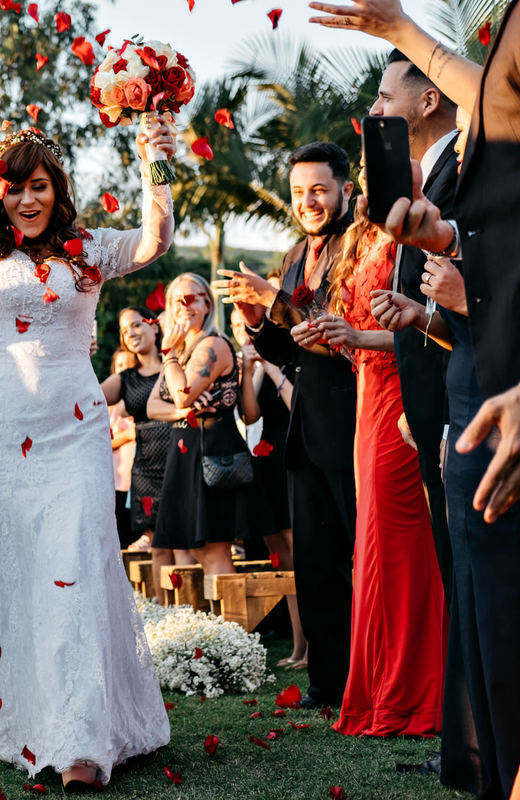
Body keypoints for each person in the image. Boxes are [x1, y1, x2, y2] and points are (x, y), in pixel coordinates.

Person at [0, 96, 177, 787]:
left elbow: (156, 241)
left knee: (75, 561)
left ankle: (80, 737)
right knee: (9, 561)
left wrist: (155, 161)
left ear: (57, 190)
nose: (27, 199)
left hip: (75, 430)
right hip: (3, 429)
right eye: (15, 187)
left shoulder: (92, 250)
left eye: (39, 185)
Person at [309, 1, 520, 793]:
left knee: (488, 595)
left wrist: (399, 29)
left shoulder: (469, 151)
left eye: (383, 96)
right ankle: (476, 756)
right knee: (471, 590)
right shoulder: (435, 176)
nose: (374, 111)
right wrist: (441, 271)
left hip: (483, 387)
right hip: (461, 387)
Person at [214, 141, 358, 710]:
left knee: (359, 559)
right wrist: (257, 322)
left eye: (319, 189)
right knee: (315, 565)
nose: (308, 201)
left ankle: (370, 679)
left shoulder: (358, 244)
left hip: (353, 420)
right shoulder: (297, 253)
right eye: (299, 192)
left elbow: (336, 328)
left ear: (346, 188)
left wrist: (274, 297)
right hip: (304, 430)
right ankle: (329, 683)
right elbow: (288, 347)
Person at [310, 161, 446, 737]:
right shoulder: (360, 238)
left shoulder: (411, 236)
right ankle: (376, 691)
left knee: (400, 546)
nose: (370, 173)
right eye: (365, 165)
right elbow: (359, 328)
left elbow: (429, 329)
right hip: (366, 396)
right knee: (372, 544)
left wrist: (357, 335)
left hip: (400, 397)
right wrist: (330, 334)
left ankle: (416, 694)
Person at [365, 48, 460, 596]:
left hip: (457, 404)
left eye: (384, 97)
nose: (375, 111)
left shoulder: (461, 172)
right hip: (425, 403)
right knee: (450, 568)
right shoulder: (415, 177)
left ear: (428, 100)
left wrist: (444, 418)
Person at [152, 273, 248, 578]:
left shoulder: (212, 345)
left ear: (207, 304)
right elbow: (153, 406)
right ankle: (213, 612)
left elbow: (181, 394)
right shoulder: (181, 351)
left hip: (213, 451)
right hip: (187, 449)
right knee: (196, 549)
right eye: (176, 300)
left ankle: (229, 612)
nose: (184, 306)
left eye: (191, 298)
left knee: (213, 549)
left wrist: (168, 354)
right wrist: (183, 412)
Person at [233, 303, 305, 668]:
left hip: (293, 456)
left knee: (300, 554)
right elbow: (250, 417)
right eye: (238, 328)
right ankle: (298, 646)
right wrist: (249, 373)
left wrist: (272, 368)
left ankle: (314, 644)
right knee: (283, 558)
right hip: (264, 461)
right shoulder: (253, 367)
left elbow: (297, 405)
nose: (244, 334)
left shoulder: (289, 359)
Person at [100, 308, 174, 579]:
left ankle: (193, 604)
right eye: (124, 330)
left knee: (185, 545)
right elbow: (87, 399)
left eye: (135, 325)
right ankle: (164, 604)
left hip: (179, 460)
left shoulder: (176, 364)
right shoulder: (125, 378)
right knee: (158, 547)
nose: (130, 333)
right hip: (145, 469)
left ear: (154, 326)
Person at [104, 347, 137, 548]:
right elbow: (102, 442)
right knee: (120, 535)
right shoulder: (109, 409)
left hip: (139, 480)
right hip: (117, 482)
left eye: (129, 365)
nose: (124, 369)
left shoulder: (141, 402)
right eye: (120, 365)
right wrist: (126, 436)